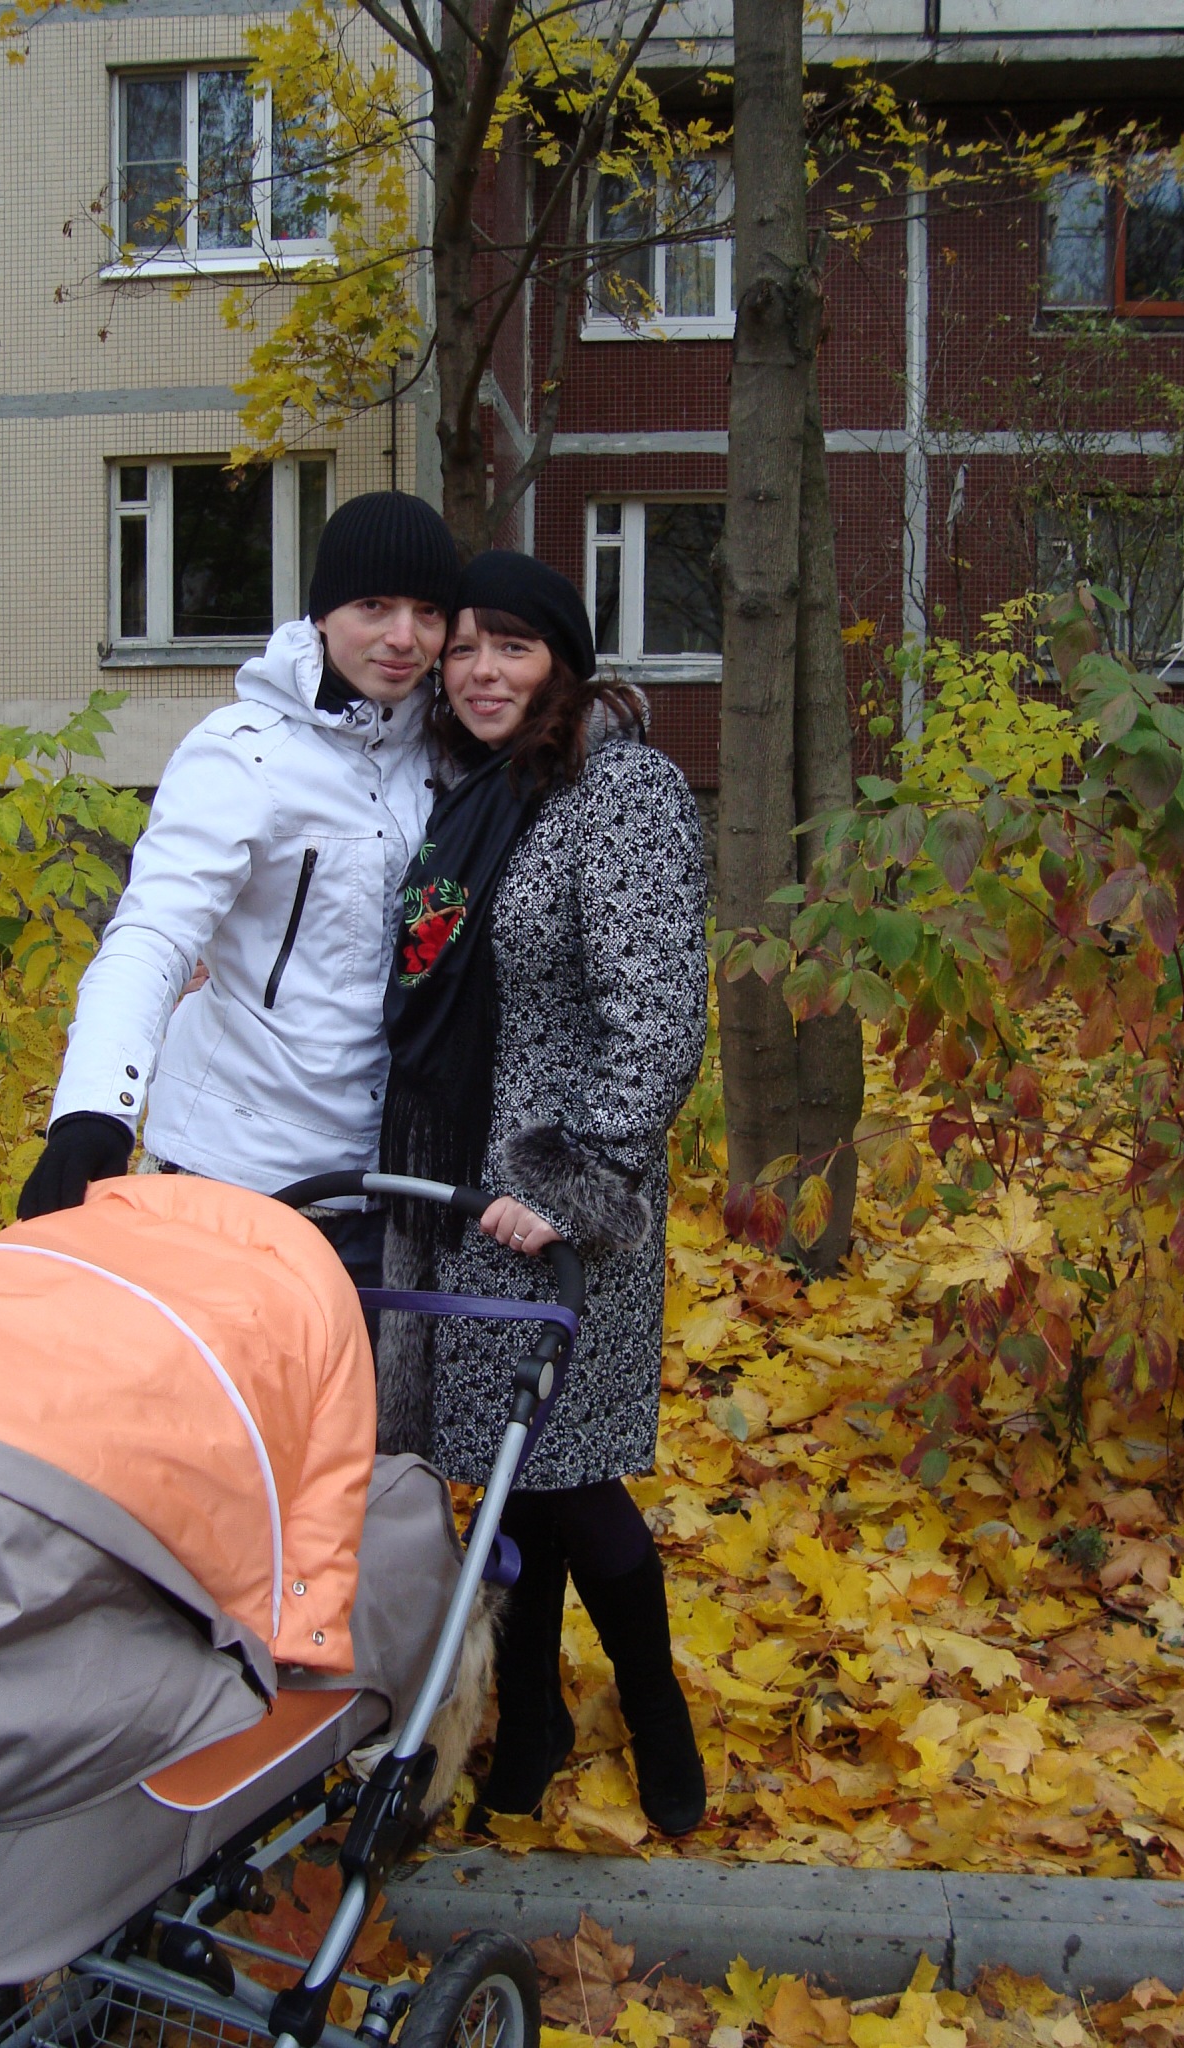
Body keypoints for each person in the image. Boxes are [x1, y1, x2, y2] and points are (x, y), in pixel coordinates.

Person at [376, 550, 709, 1835]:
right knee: (511, 1469)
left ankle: (655, 1708)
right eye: (461, 646)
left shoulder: (620, 789)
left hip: (565, 1197)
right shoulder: (476, 792)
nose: (477, 669)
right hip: (470, 1195)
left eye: (508, 645)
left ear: (561, 661)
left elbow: (659, 1014)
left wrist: (583, 1179)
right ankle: (531, 1717)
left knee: (567, 1469)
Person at [17, 490, 460, 1298]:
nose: (404, 636)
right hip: (235, 1178)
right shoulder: (243, 754)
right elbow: (155, 934)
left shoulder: (448, 751)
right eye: (374, 606)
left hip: (391, 1185)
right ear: (323, 614)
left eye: (427, 612)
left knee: (360, 1386)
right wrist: (94, 1112)